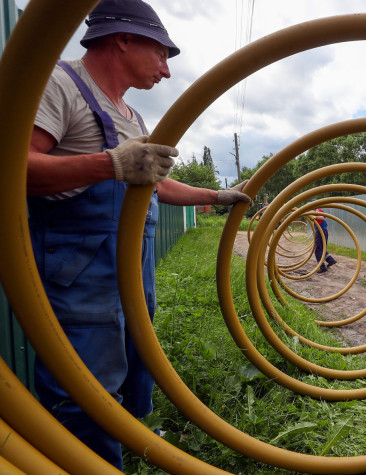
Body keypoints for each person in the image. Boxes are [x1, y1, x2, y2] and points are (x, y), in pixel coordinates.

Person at [26, 0, 250, 468]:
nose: (167, 72)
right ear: (123, 38)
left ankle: (132, 433)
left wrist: (215, 196)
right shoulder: (60, 84)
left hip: (129, 266)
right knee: (84, 379)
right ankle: (88, 462)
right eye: (163, 54)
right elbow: (17, 168)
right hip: (80, 264)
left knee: (134, 357)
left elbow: (156, 184)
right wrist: (108, 164)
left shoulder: (132, 116)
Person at [311, 202, 337, 273]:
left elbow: (322, 217)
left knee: (318, 250)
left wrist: (314, 216)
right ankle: (330, 260)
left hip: (320, 231)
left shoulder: (317, 210)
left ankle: (322, 267)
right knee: (322, 248)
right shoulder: (317, 210)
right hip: (324, 231)